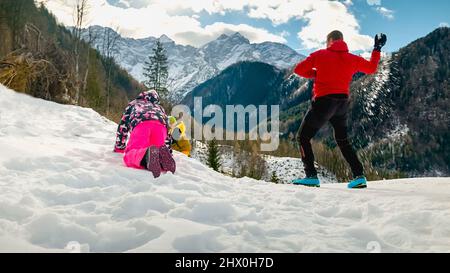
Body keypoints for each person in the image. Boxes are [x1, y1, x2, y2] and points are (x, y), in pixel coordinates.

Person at [292, 30, 387, 189]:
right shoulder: (352, 58)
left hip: (323, 102)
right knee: (343, 141)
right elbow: (371, 68)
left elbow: (298, 70)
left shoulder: (320, 54)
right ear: (342, 41)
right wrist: (376, 49)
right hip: (342, 103)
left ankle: (311, 176)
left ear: (329, 41)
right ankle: (359, 176)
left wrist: (316, 74)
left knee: (303, 137)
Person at [114, 90, 176, 178]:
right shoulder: (159, 108)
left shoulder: (134, 104)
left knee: (131, 154)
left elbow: (123, 126)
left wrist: (119, 147)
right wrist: (169, 151)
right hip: (160, 127)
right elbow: (167, 130)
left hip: (141, 125)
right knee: (157, 151)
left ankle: (146, 155)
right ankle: (162, 160)